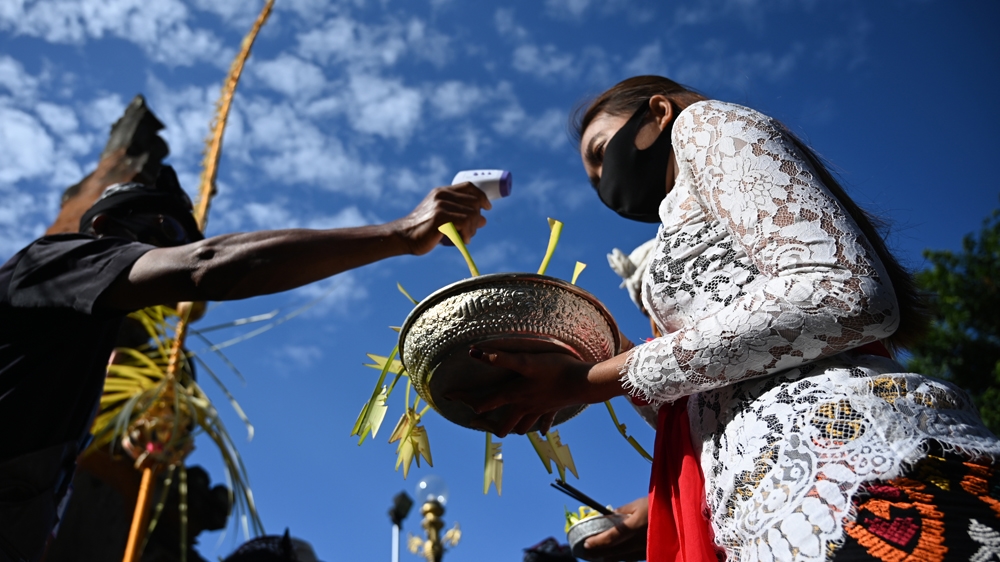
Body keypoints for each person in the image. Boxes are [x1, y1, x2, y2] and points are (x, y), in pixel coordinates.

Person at [453, 75, 1000, 561]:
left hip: (847, 470)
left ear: (658, 113)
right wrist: (595, 349)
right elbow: (708, 389)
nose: (600, 181)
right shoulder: (672, 223)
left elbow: (843, 293)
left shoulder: (705, 124)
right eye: (592, 177)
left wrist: (589, 379)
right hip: (759, 520)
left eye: (600, 152)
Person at [0, 166, 490, 562]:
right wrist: (401, 233)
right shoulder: (58, 259)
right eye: (163, 230)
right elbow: (204, 265)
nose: (165, 251)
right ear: (104, 227)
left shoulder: (82, 340)